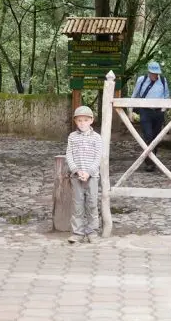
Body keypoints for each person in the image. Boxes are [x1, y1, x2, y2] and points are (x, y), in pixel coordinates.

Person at [65, 105, 102, 244]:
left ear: (91, 120)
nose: (82, 123)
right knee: (77, 205)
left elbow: (98, 157)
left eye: (85, 120)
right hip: (76, 177)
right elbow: (69, 155)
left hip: (92, 177)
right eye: (79, 120)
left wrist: (88, 172)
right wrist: (76, 170)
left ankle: (92, 232)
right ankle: (77, 233)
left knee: (92, 204)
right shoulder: (72, 137)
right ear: (75, 121)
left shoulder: (97, 138)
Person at [132, 61, 169, 172]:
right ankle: (149, 162)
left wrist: (163, 109)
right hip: (145, 112)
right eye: (153, 73)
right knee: (148, 136)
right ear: (149, 72)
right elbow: (134, 95)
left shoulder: (163, 80)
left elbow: (166, 96)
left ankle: (152, 161)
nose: (155, 75)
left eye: (157, 73)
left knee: (156, 138)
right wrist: (130, 112)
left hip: (158, 113)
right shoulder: (141, 80)